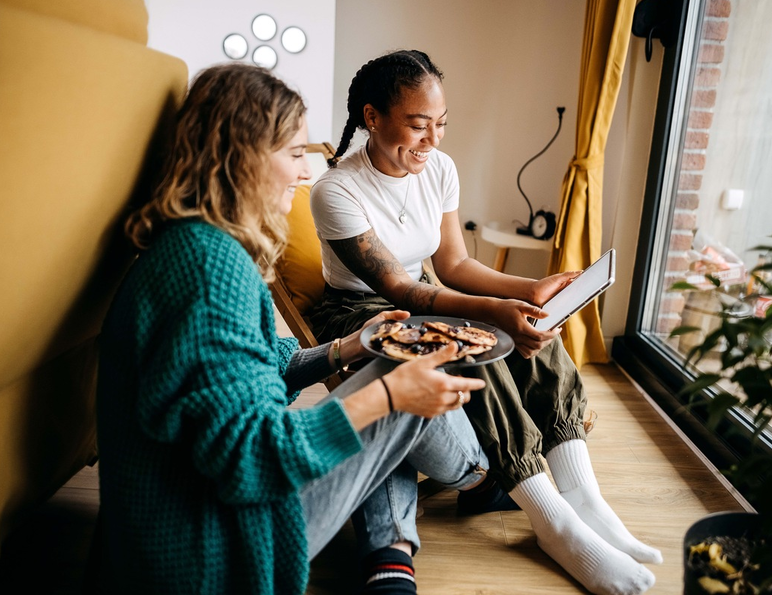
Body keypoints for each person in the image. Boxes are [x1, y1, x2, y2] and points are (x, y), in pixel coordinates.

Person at [94, 62, 497, 595]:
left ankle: (396, 555)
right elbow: (251, 457)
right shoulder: (208, 272)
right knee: (396, 387)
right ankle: (481, 476)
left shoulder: (204, 246)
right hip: (211, 551)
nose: (306, 173)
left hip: (192, 523)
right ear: (237, 158)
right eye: (292, 154)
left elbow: (258, 369)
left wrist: (343, 348)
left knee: (386, 360)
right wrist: (386, 396)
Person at [309, 50, 662, 595]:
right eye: (418, 125)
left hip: (421, 291)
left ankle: (584, 497)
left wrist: (530, 291)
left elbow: (453, 265)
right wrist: (495, 313)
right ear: (372, 117)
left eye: (442, 124)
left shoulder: (440, 170)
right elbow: (400, 290)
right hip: (362, 309)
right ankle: (554, 522)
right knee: (477, 339)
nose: (433, 141)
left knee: (532, 325)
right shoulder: (335, 190)